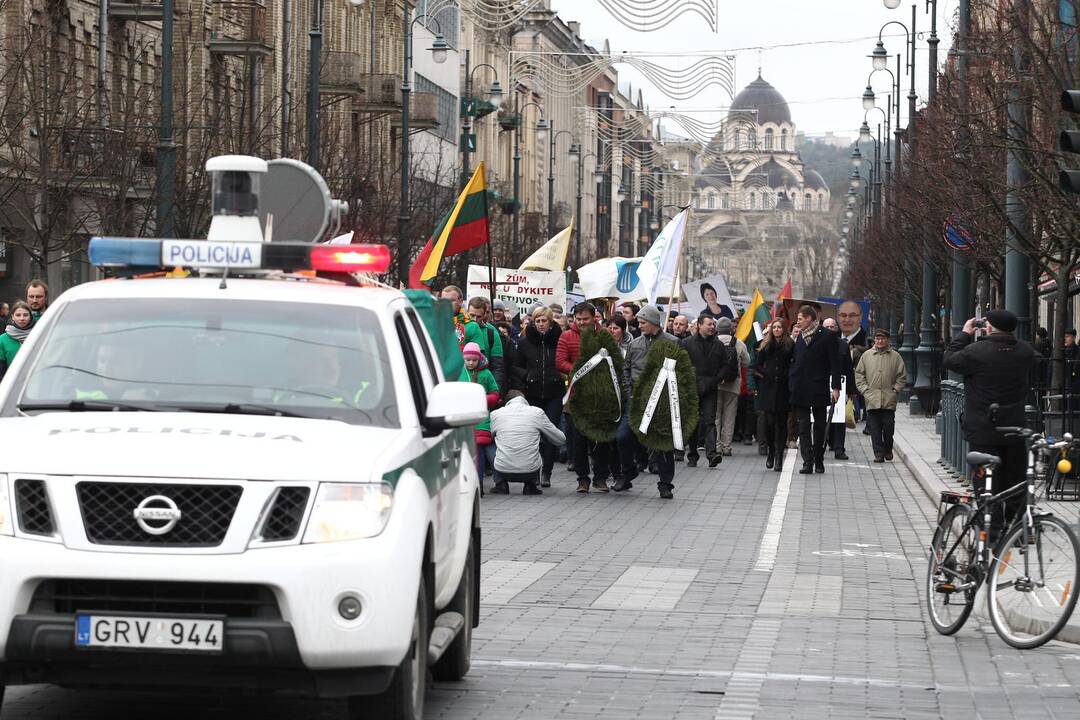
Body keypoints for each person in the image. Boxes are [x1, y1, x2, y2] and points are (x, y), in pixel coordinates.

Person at [943, 310, 1039, 537]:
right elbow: (1036, 358)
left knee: (987, 483)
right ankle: (1017, 529)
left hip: (983, 430)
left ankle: (992, 531)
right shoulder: (1024, 351)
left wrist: (965, 333)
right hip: (1014, 429)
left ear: (988, 327)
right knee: (1016, 481)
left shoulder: (976, 352)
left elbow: (949, 359)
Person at [621, 304, 680, 498]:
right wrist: (629, 391)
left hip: (661, 401)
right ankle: (628, 472)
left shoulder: (673, 342)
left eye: (643, 322)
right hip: (636, 400)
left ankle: (665, 483)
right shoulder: (634, 344)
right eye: (639, 322)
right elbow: (626, 369)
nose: (640, 325)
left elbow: (680, 371)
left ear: (654, 322)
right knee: (623, 437)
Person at [556, 302, 614, 494]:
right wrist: (579, 371)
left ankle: (600, 478)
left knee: (601, 439)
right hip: (576, 396)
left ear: (595, 317)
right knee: (578, 441)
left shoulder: (605, 335)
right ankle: (582, 479)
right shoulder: (566, 336)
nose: (581, 322)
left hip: (600, 396)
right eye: (578, 319)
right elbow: (560, 361)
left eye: (585, 319)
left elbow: (613, 359)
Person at [513, 306, 564, 487]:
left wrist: (561, 375)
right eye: (538, 321)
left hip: (554, 393)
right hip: (533, 393)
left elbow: (565, 360)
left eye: (544, 321)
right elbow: (516, 366)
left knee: (550, 431)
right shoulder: (525, 342)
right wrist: (527, 376)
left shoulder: (559, 340)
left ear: (551, 323)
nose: (541, 324)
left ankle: (547, 472)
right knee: (534, 434)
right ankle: (533, 471)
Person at [788, 305, 841, 475]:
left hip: (818, 387)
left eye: (801, 318)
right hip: (801, 388)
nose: (798, 322)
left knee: (819, 426)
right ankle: (807, 462)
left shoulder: (827, 336)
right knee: (803, 426)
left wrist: (836, 387)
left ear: (810, 318)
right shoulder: (799, 337)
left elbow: (835, 363)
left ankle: (819, 460)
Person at [490, 390, 567, 495]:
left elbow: (490, 436)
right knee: (534, 441)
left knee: (492, 442)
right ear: (524, 400)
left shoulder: (496, 414)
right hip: (529, 470)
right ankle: (530, 485)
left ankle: (500, 484)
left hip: (502, 470)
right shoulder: (536, 412)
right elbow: (560, 439)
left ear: (507, 402)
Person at [854, 328, 907, 463]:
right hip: (872, 399)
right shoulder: (866, 356)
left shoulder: (895, 356)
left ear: (887, 340)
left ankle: (888, 448)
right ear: (874, 341)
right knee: (875, 429)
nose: (880, 341)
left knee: (889, 428)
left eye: (882, 339)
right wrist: (865, 390)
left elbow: (902, 376)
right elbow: (859, 374)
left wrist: (895, 389)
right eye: (877, 339)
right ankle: (879, 454)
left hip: (889, 399)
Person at [681, 313, 723, 468]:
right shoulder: (686, 343)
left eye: (713, 324)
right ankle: (692, 454)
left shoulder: (718, 345)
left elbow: (725, 365)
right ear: (699, 325)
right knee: (693, 422)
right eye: (709, 324)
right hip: (692, 389)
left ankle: (712, 454)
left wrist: (718, 378)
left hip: (711, 388)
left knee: (710, 421)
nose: (712, 327)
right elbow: (681, 364)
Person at [459, 342, 501, 492]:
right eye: (468, 360)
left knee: (480, 452)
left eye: (474, 360)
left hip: (481, 419)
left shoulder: (486, 374)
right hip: (463, 419)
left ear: (479, 359)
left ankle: (481, 484)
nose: (471, 362)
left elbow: (495, 394)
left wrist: (481, 399)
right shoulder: (459, 373)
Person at [753, 318, 794, 472]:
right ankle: (771, 451)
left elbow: (794, 362)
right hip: (768, 388)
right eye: (774, 327)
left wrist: (787, 374)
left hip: (784, 388)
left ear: (784, 328)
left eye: (779, 327)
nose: (776, 329)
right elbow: (756, 364)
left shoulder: (790, 345)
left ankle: (778, 456)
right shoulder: (766, 344)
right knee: (769, 423)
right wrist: (766, 373)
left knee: (782, 423)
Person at [822, 317, 857, 461]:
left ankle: (839, 449)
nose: (830, 329)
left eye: (832, 327)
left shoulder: (843, 345)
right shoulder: (817, 344)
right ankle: (822, 444)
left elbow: (849, 369)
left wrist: (851, 390)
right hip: (822, 386)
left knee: (839, 419)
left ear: (836, 329)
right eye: (827, 327)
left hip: (840, 387)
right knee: (821, 419)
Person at [714, 317, 748, 456]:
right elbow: (746, 362)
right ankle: (726, 446)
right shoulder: (738, 343)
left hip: (716, 384)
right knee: (729, 416)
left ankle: (715, 446)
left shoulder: (713, 342)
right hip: (733, 384)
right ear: (731, 329)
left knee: (715, 416)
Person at [464, 296, 506, 396]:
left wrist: (495, 392)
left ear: (484, 315)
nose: (474, 320)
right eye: (471, 315)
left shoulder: (491, 332)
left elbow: (497, 366)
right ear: (466, 313)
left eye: (478, 316)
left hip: (484, 389)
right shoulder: (460, 329)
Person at [0, 301, 33, 377]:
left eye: (25, 315)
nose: (22, 318)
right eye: (18, 315)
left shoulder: (37, 336)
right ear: (12, 317)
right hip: (11, 384)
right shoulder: (2, 339)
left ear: (30, 316)